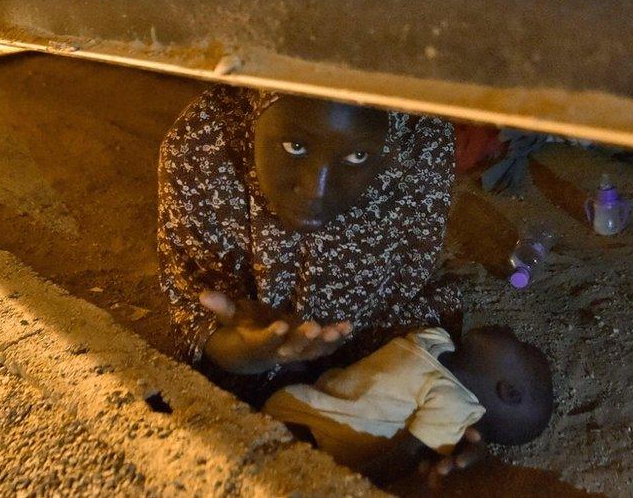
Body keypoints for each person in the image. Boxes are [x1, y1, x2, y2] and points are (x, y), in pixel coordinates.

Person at [157, 85, 461, 408]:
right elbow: (194, 314)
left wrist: (443, 412)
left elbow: (410, 298)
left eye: (356, 157)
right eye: (295, 146)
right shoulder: (203, 145)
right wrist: (242, 352)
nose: (316, 189)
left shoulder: (419, 151)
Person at [262, 325, 554, 484]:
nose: (510, 329)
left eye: (521, 344)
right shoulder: (438, 339)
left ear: (509, 392)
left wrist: (352, 484)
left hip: (327, 443)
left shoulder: (456, 404)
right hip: (300, 401)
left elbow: (406, 453)